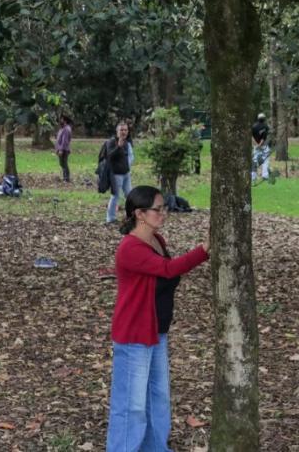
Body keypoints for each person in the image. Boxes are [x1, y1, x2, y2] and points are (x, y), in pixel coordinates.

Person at [106, 186, 209, 451]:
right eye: (157, 209)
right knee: (132, 405)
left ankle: (155, 448)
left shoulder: (157, 241)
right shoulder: (130, 248)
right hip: (134, 335)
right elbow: (167, 270)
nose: (163, 213)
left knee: (157, 398)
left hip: (156, 331)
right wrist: (204, 250)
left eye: (164, 208)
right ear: (139, 214)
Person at [100, 122, 135, 223]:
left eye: (125, 130)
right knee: (115, 196)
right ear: (117, 131)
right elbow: (109, 156)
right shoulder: (111, 142)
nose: (124, 132)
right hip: (116, 175)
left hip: (126, 174)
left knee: (129, 195)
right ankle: (110, 218)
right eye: (121, 130)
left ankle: (131, 216)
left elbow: (129, 157)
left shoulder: (127, 143)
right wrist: (118, 146)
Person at [251, 113, 270, 182]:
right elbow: (264, 138)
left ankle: (253, 177)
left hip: (255, 146)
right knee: (265, 161)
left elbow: (252, 137)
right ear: (264, 119)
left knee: (254, 161)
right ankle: (265, 175)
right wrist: (260, 145)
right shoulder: (266, 126)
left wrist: (256, 144)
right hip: (264, 146)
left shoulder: (253, 127)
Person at [56, 114, 73, 183]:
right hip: (61, 149)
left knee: (64, 163)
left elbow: (64, 141)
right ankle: (65, 177)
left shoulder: (66, 129)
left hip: (64, 149)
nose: (60, 120)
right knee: (62, 163)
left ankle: (66, 178)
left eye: (61, 119)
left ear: (65, 120)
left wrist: (61, 150)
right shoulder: (63, 128)